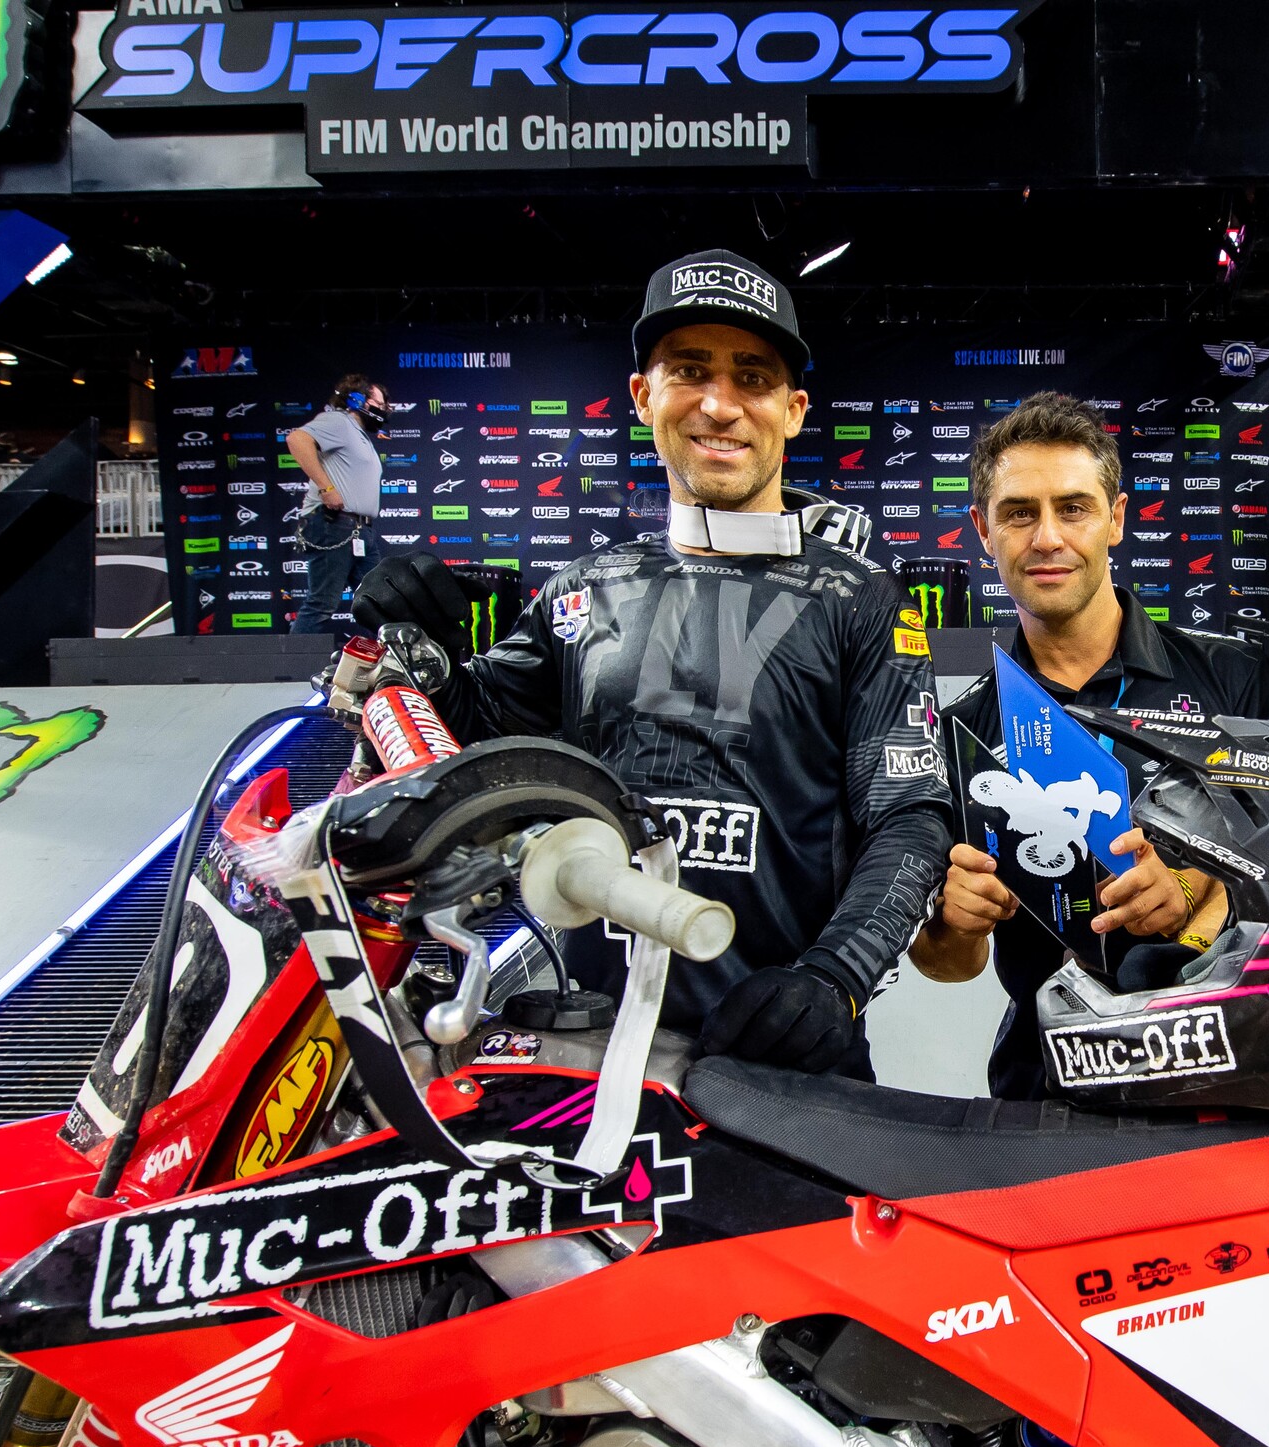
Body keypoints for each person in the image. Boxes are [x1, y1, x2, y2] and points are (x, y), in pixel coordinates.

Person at [352, 250, 952, 1076]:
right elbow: (476, 745)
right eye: (690, 371)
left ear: (795, 409)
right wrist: (421, 644)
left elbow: (911, 816)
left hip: (783, 1062)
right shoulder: (584, 587)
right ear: (643, 397)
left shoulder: (865, 601)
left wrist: (833, 980)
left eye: (753, 377)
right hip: (577, 1043)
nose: (720, 404)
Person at [907, 392, 1269, 1097]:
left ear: (1117, 519)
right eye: (1019, 513)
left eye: (1073, 508)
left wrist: (1194, 889)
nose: (1047, 538)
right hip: (1047, 1084)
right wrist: (953, 922)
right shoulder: (963, 732)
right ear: (983, 530)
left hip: (1228, 1065)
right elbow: (947, 964)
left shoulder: (1232, 678)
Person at [284, 376, 387, 633]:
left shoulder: (359, 434)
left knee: (380, 602)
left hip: (360, 531)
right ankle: (294, 667)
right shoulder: (339, 421)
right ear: (357, 400)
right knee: (322, 603)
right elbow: (297, 440)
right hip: (334, 524)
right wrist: (326, 488)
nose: (383, 410)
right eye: (379, 403)